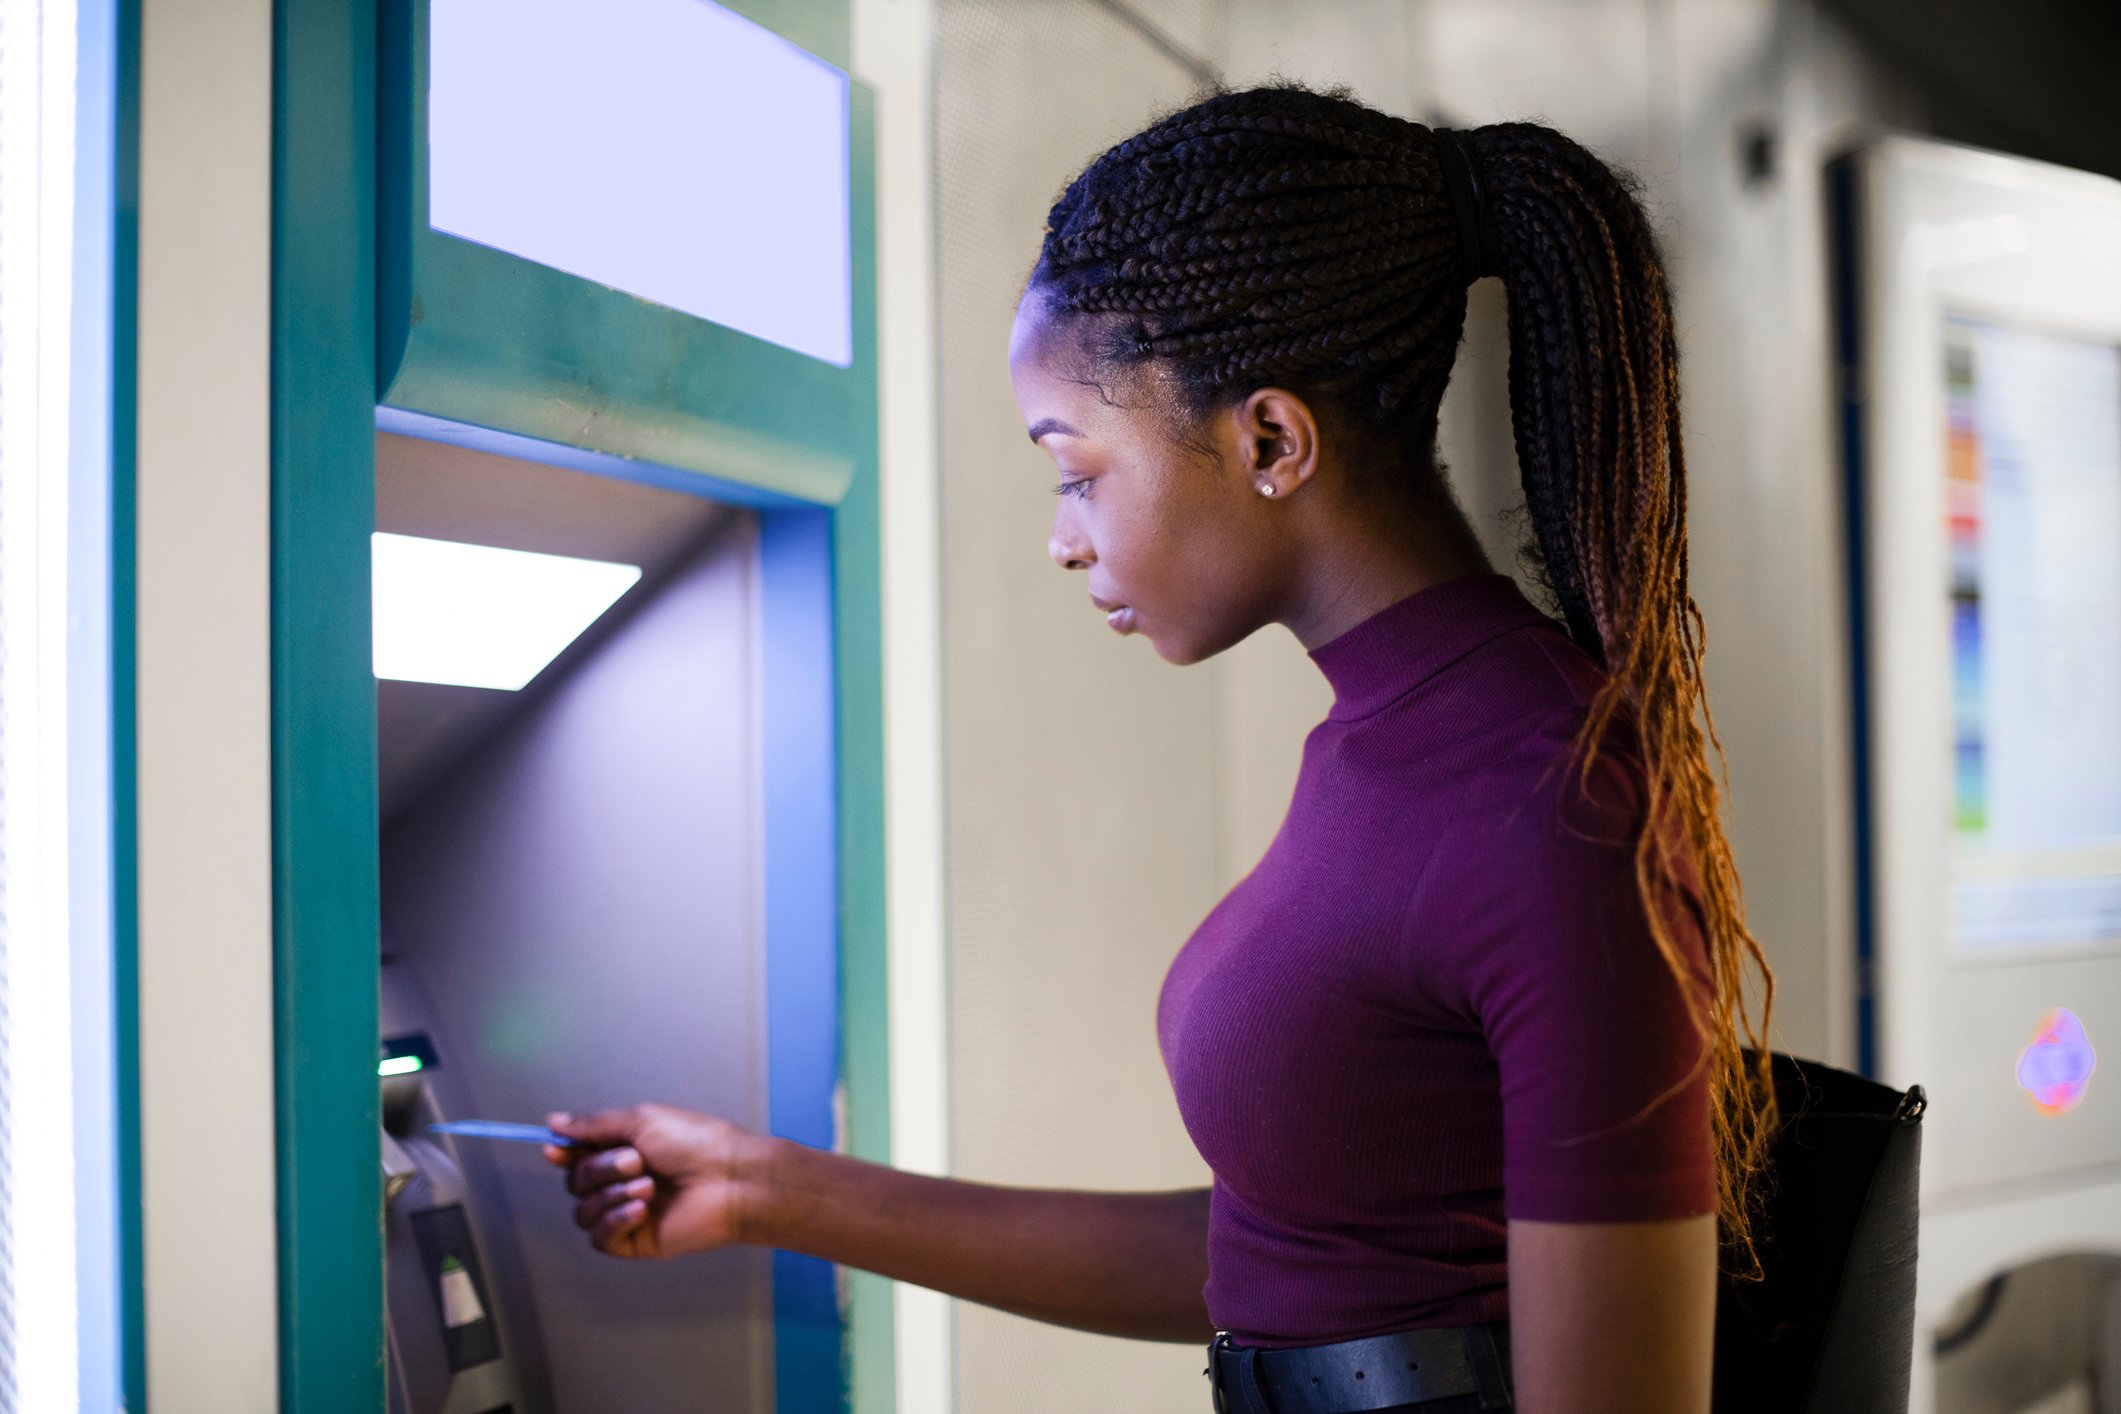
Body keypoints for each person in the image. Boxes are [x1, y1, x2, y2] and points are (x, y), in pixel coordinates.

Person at [547, 83, 1779, 1414]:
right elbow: (1298, 1249)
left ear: (1268, 438)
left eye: (1078, 470)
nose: (1063, 537)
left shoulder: (1547, 801)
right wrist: (765, 1185)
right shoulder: (1389, 743)